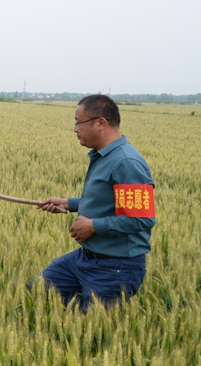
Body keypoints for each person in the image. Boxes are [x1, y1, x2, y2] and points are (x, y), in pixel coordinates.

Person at [32, 94, 156, 312]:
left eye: (78, 122)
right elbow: (107, 201)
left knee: (88, 325)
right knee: (39, 290)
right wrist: (68, 203)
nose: (75, 129)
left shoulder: (126, 162)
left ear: (100, 123)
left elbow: (141, 219)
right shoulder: (104, 156)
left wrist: (93, 226)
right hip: (86, 257)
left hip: (115, 266)